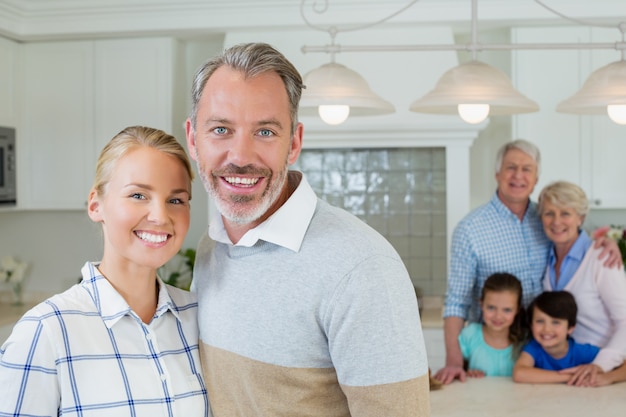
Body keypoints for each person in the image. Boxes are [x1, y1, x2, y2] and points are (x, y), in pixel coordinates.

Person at [185, 42, 430, 416]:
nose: (241, 157)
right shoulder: (212, 245)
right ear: (192, 139)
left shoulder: (364, 269)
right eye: (221, 129)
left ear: (294, 142)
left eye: (265, 132)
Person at [0, 126, 210, 416]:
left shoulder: (200, 319)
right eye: (138, 195)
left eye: (176, 200)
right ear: (96, 205)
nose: (161, 216)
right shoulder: (45, 332)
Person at [435, 139, 622, 385]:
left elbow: (572, 232)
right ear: (497, 174)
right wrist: (454, 361)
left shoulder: (544, 217)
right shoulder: (470, 229)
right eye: (511, 167)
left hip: (544, 350)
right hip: (492, 352)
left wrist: (608, 242)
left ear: (536, 179)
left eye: (527, 169)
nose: (518, 176)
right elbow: (456, 302)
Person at [537, 180, 626, 386]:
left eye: (565, 213)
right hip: (569, 372)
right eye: (549, 213)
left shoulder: (601, 258)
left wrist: (600, 366)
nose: (556, 222)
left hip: (603, 373)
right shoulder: (546, 260)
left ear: (580, 218)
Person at [513, 291, 600, 384]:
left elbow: (617, 363)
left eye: (556, 322)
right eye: (540, 321)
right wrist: (571, 377)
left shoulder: (581, 352)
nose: (546, 329)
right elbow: (519, 374)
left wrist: (607, 377)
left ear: (570, 328)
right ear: (531, 325)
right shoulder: (534, 348)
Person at [459, 273, 526, 377]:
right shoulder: (469, 335)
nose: (498, 316)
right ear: (481, 305)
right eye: (491, 308)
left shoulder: (524, 342)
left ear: (517, 309)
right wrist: (468, 374)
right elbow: (458, 372)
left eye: (507, 310)